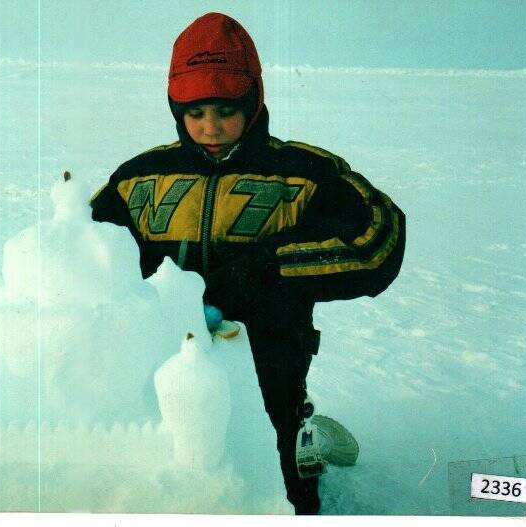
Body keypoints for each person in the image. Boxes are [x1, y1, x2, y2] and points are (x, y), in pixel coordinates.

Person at [90, 12, 405, 515]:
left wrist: (266, 272)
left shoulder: (303, 172)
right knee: (161, 479)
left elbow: (379, 240)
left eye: (225, 110)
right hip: (164, 361)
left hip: (271, 364)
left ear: (253, 103)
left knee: (280, 498)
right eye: (194, 112)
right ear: (175, 108)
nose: (210, 128)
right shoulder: (139, 177)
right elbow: (84, 256)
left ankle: (301, 436)